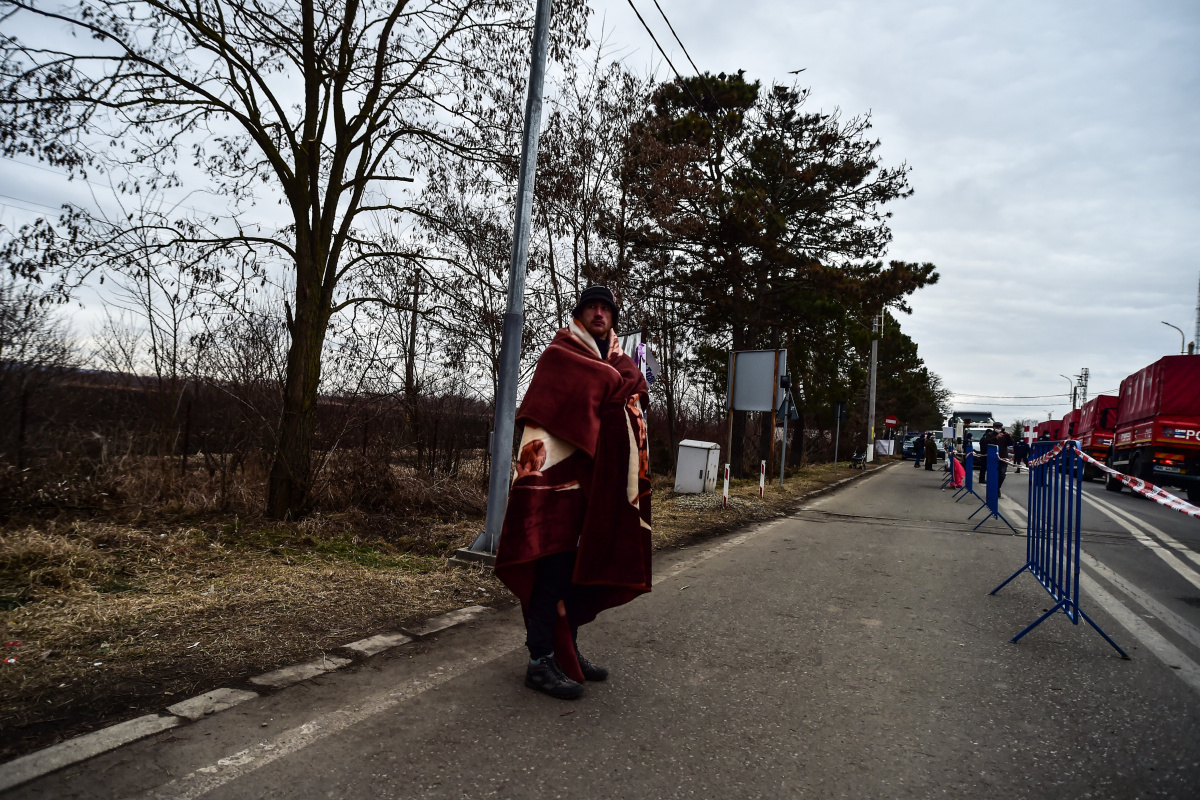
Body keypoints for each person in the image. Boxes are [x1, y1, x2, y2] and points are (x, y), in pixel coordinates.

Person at [494, 285, 652, 700]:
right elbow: (548, 418)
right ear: (579, 315)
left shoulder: (620, 363)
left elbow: (629, 397)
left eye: (606, 308)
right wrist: (614, 385)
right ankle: (538, 661)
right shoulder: (560, 355)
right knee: (551, 570)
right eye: (591, 307)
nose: (599, 313)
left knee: (582, 573)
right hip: (556, 487)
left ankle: (567, 651)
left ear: (613, 317)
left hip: (601, 489)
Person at [993, 422, 1015, 492]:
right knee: (993, 474)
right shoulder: (990, 434)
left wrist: (1008, 436)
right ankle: (993, 489)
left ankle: (998, 487)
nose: (998, 429)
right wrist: (996, 438)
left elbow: (1011, 443)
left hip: (1003, 457)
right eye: (997, 427)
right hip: (993, 458)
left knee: (1002, 474)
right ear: (994, 427)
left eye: (1000, 427)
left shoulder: (1005, 436)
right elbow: (987, 442)